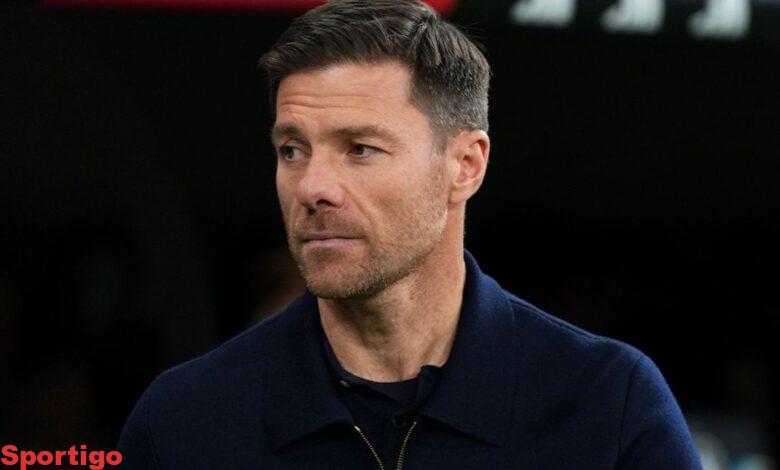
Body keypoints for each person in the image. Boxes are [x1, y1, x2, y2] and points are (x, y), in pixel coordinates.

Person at [117, 1, 702, 468]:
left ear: (465, 166)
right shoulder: (185, 420)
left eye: (360, 149)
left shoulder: (606, 404)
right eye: (292, 149)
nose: (312, 187)